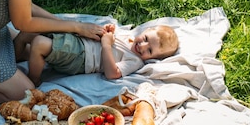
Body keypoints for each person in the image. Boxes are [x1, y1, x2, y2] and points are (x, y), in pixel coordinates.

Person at [16, 23, 179, 86]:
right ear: (145, 31)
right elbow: (111, 37)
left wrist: (106, 45)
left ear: (153, 59)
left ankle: (33, 80)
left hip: (81, 57)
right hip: (78, 41)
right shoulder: (128, 37)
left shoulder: (135, 60)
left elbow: (112, 73)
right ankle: (15, 58)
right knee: (26, 33)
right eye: (145, 39)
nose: (142, 46)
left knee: (38, 44)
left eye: (150, 51)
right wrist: (109, 31)